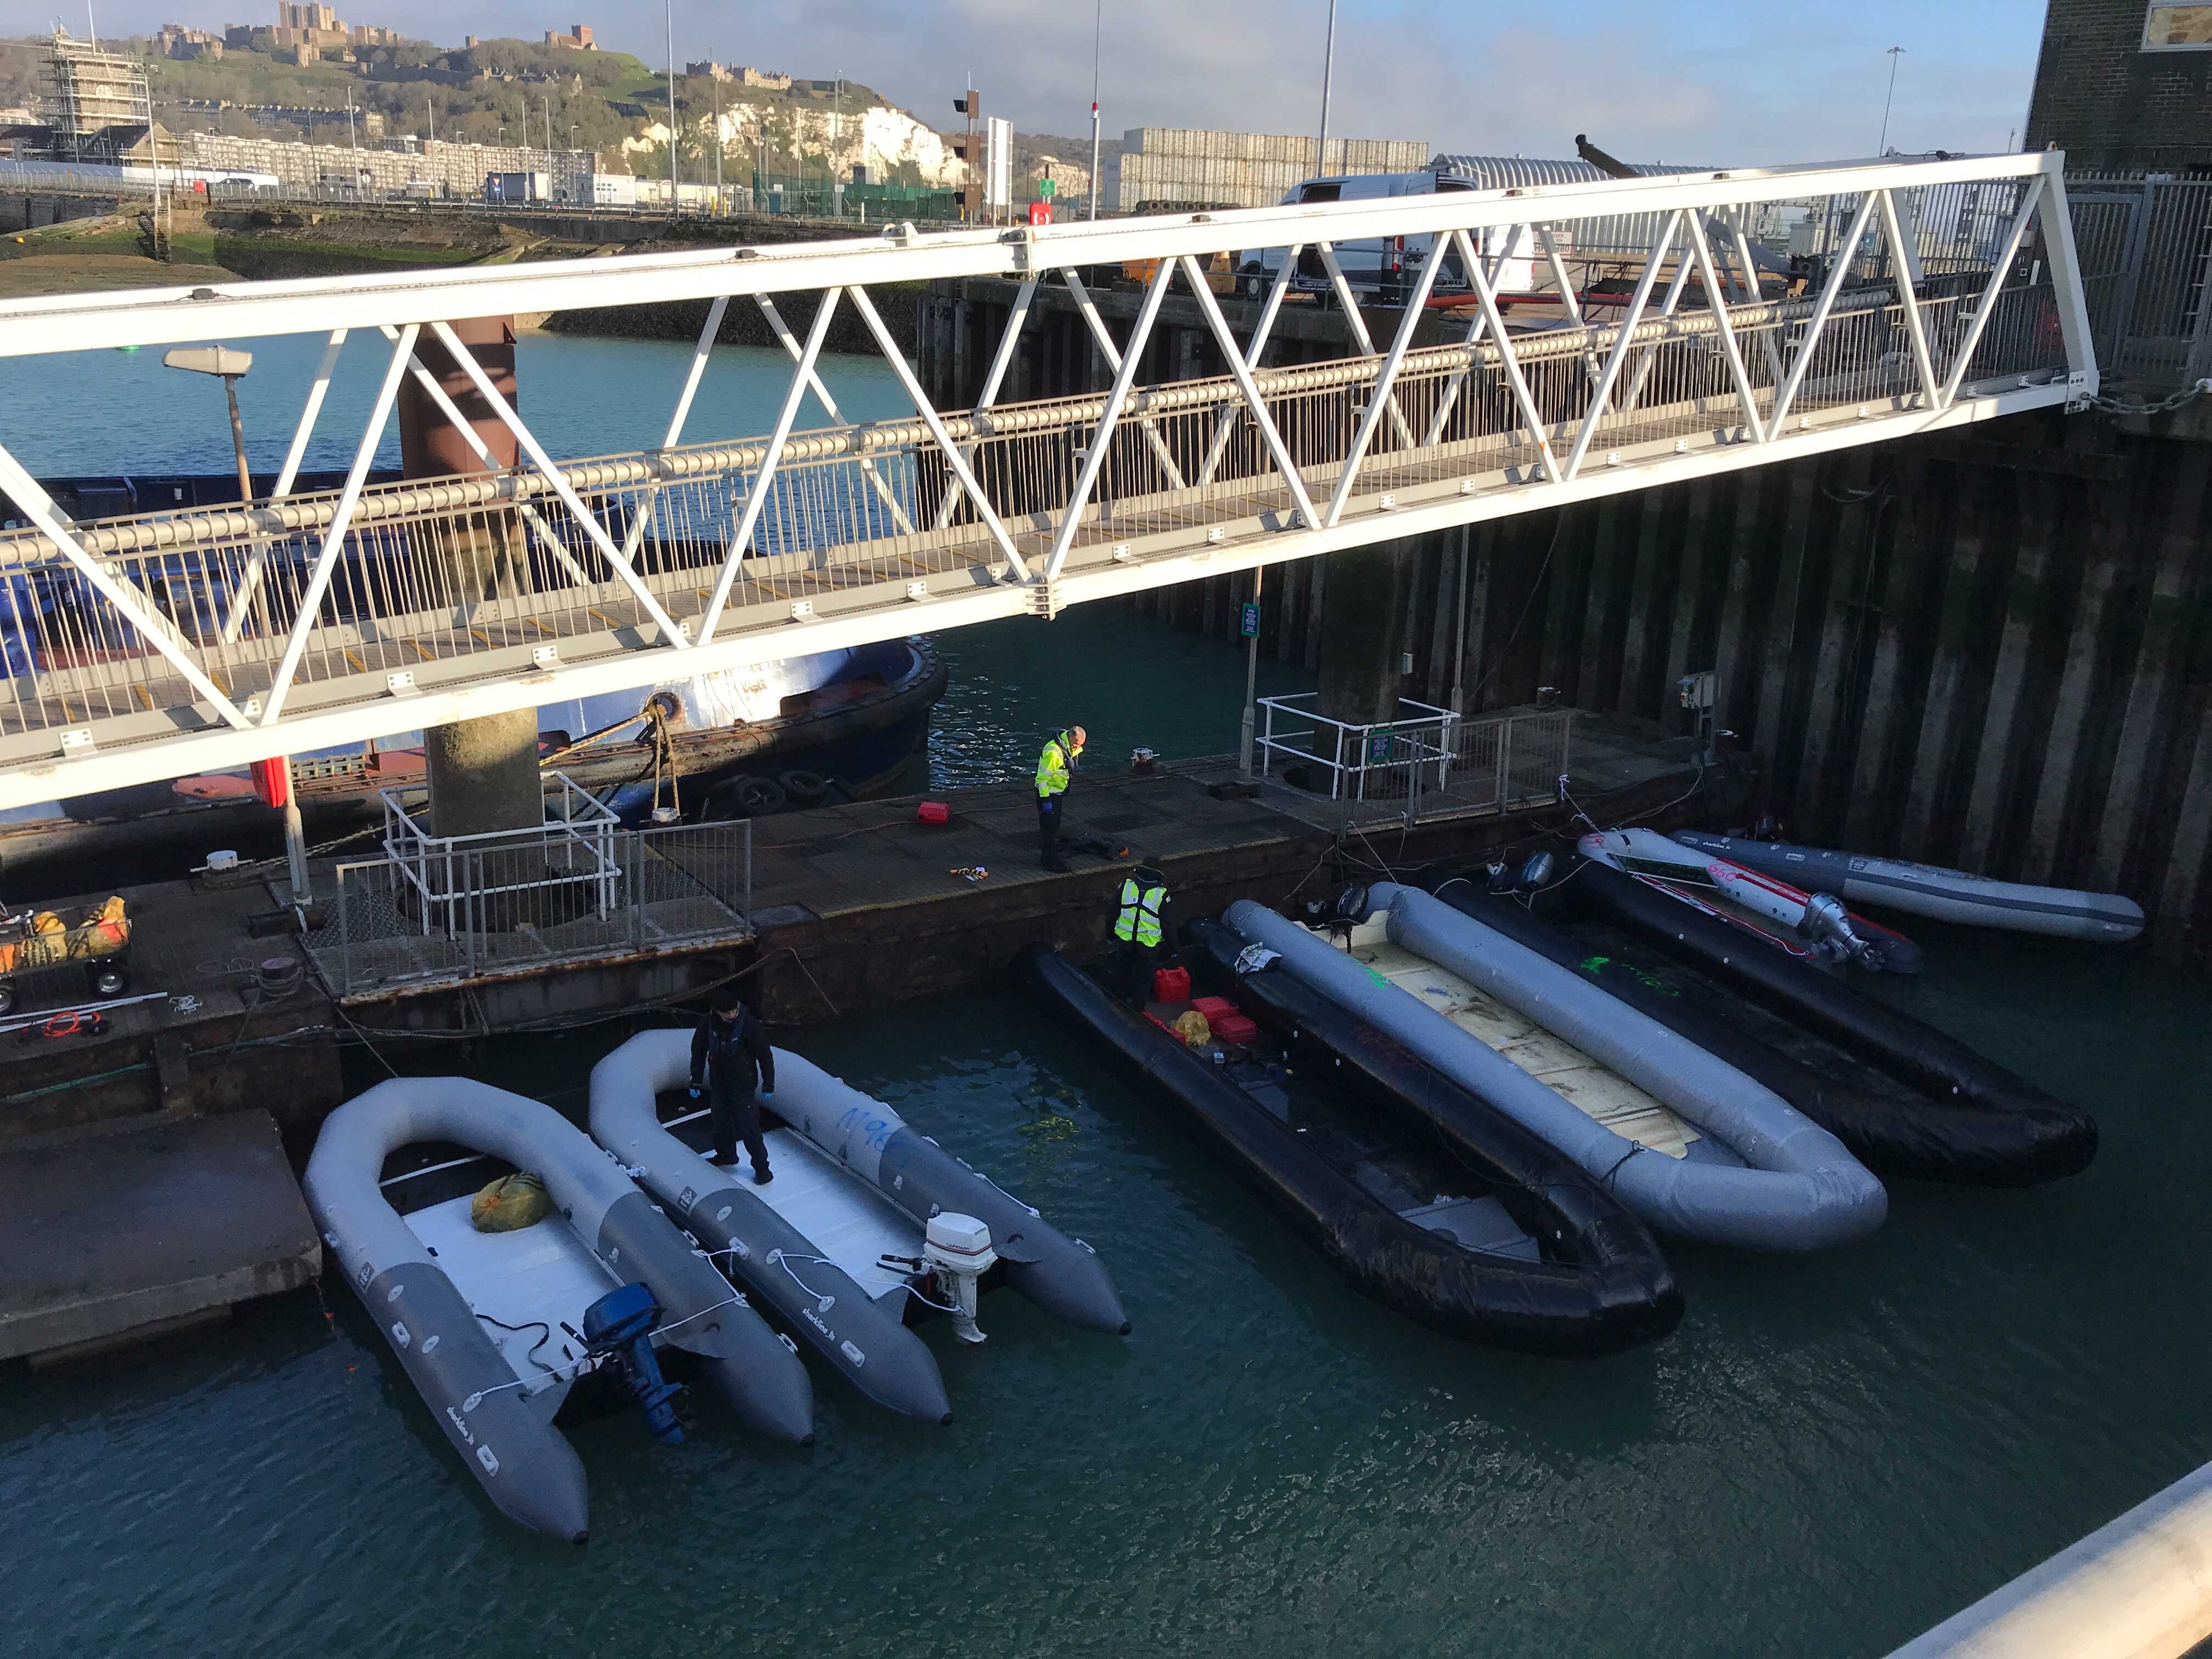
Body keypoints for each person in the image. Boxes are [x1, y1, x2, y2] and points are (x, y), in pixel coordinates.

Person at [689, 989, 776, 1183]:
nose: (731, 1015)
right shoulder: (708, 1024)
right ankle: (727, 1155)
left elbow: (765, 1056)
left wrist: (768, 1084)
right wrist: (695, 1079)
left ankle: (762, 1169)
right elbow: (699, 1051)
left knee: (749, 1128)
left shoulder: (749, 1026)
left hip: (742, 1085)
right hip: (719, 1083)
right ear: (717, 1012)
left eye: (733, 1011)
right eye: (726, 1013)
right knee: (720, 1123)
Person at [1113, 863, 1169, 1005]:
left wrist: (1110, 936)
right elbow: (1169, 925)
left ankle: (1118, 1002)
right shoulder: (1161, 894)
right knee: (1143, 980)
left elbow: (1112, 913)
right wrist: (1173, 948)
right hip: (1148, 946)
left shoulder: (1126, 886)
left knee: (1122, 973)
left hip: (1124, 941)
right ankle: (1138, 1010)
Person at [1034, 724, 1086, 872]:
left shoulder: (1068, 748)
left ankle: (1049, 857)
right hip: (1049, 795)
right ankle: (1049, 862)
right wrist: (1046, 801)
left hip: (1056, 793)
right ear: (1070, 737)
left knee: (1053, 826)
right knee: (1049, 827)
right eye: (1076, 744)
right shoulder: (1054, 753)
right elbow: (1042, 779)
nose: (1077, 748)